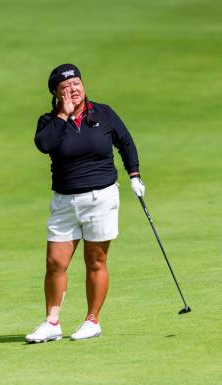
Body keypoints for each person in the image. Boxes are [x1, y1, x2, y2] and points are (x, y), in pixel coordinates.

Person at [26, 63, 145, 343]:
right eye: (65, 88)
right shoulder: (49, 121)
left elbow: (125, 143)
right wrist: (63, 116)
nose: (73, 90)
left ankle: (93, 320)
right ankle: (52, 323)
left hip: (101, 198)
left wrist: (135, 175)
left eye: (76, 84)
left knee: (96, 260)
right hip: (65, 202)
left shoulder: (103, 113)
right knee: (55, 262)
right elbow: (44, 145)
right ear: (56, 94)